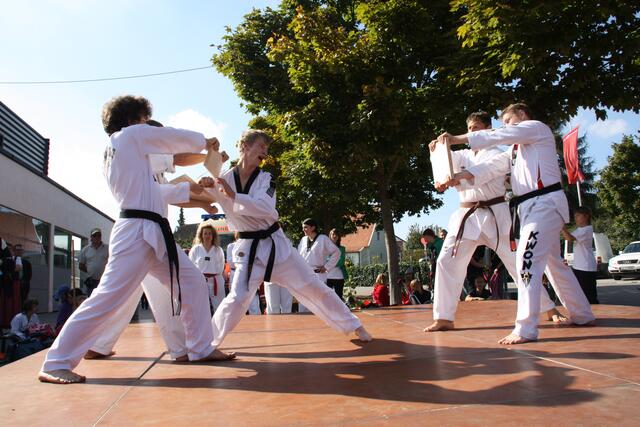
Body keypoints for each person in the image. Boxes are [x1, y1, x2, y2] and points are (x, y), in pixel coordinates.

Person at [38, 95, 234, 385]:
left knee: (192, 281)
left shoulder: (126, 152)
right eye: (143, 119)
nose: (146, 124)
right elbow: (170, 139)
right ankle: (56, 362)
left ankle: (200, 347)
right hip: (136, 232)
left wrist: (196, 197)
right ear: (132, 120)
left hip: (151, 229)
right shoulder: (129, 137)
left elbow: (157, 192)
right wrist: (204, 142)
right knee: (107, 298)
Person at [436, 103, 595, 344]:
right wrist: (457, 177)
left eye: (509, 121)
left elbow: (500, 134)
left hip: (544, 203)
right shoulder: (513, 151)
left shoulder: (536, 128)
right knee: (553, 263)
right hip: (528, 208)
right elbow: (490, 168)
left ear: (521, 115)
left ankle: (526, 328)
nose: (506, 127)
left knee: (525, 261)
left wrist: (456, 138)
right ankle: (582, 313)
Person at [200, 129, 372, 346]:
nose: (265, 152)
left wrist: (234, 195)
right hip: (249, 250)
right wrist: (205, 183)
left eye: (267, 148)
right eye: (261, 146)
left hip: (277, 247)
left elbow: (265, 207)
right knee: (237, 297)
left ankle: (354, 325)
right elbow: (207, 196)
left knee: (313, 286)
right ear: (245, 146)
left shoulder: (266, 178)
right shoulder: (224, 179)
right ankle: (206, 344)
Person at [425, 111, 564, 333]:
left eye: (476, 128)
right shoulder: (463, 155)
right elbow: (447, 163)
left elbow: (486, 171)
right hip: (466, 216)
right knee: (445, 261)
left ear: (488, 129)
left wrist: (459, 178)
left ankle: (548, 308)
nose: (472, 132)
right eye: (470, 128)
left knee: (518, 263)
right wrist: (438, 152)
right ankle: (444, 317)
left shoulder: (499, 153)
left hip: (495, 214)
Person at [297, 218, 340, 312]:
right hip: (304, 275)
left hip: (318, 275)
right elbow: (298, 256)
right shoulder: (303, 240)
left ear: (313, 227)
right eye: (303, 227)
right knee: (303, 303)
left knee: (317, 304)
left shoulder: (323, 239)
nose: (303, 229)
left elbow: (336, 252)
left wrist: (326, 267)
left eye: (305, 227)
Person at [561, 206, 599, 304]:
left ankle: (595, 311)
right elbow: (567, 237)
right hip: (579, 266)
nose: (576, 218)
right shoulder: (579, 230)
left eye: (578, 215)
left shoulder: (586, 229)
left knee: (589, 296)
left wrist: (562, 227)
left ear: (586, 216)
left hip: (586, 267)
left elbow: (569, 238)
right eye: (575, 216)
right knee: (581, 295)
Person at [189, 220, 226, 315]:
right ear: (201, 235)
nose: (207, 236)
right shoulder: (196, 249)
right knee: (199, 305)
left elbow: (221, 267)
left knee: (219, 305)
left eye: (210, 233)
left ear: (213, 236)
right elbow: (191, 266)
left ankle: (218, 323)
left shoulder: (218, 250)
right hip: (200, 280)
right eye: (205, 233)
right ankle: (201, 323)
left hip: (216, 279)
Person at [79, 228, 109, 297]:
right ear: (91, 237)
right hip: (91, 281)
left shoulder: (108, 248)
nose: (97, 237)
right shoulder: (86, 250)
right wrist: (90, 271)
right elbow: (81, 265)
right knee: (92, 298)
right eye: (95, 235)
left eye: (99, 235)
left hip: (105, 279)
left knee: (104, 298)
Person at [1, 243, 23, 328]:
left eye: (10, 249)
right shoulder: (4, 259)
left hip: (14, 282)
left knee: (14, 301)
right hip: (5, 282)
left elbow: (19, 268)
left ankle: (12, 322)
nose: (9, 251)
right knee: (5, 302)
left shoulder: (17, 258)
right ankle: (4, 322)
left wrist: (7, 270)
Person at [326, 229, 348, 301]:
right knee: (327, 297)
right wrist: (332, 262)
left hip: (339, 276)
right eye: (333, 234)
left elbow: (341, 262)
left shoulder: (342, 249)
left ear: (339, 237)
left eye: (336, 234)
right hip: (327, 276)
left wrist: (330, 262)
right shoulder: (325, 248)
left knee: (338, 298)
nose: (334, 236)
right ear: (330, 236)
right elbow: (323, 260)